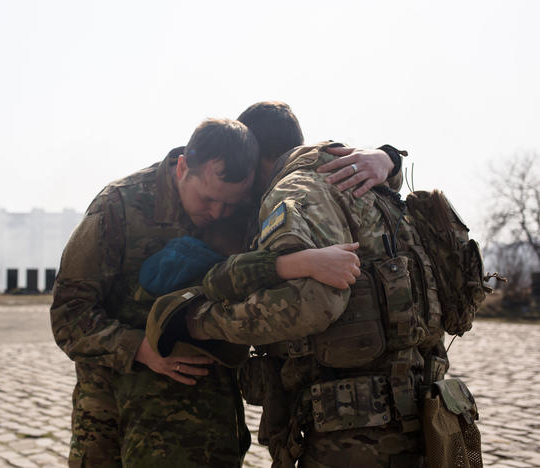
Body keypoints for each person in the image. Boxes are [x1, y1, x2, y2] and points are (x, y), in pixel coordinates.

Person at [52, 106, 403, 466]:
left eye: (229, 203)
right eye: (208, 199)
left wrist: (388, 160)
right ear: (184, 167)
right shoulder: (119, 206)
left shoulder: (245, 194)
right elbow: (69, 315)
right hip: (113, 414)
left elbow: (308, 168)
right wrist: (141, 348)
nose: (219, 212)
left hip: (207, 422)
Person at [147, 139, 449, 467]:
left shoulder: (293, 191)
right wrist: (389, 158)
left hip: (355, 430)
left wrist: (199, 321)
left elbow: (311, 304)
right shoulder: (363, 176)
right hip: (426, 411)